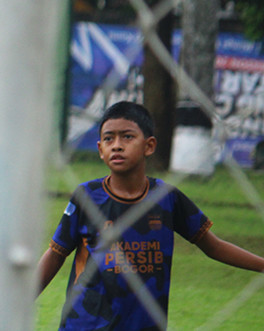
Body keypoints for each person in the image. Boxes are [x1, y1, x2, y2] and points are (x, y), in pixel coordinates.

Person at [36, 101, 264, 329]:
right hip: (87, 325)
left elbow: (212, 246)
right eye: (109, 139)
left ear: (149, 145)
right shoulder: (87, 196)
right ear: (100, 150)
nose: (116, 145)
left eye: (127, 137)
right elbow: (56, 253)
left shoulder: (167, 198)